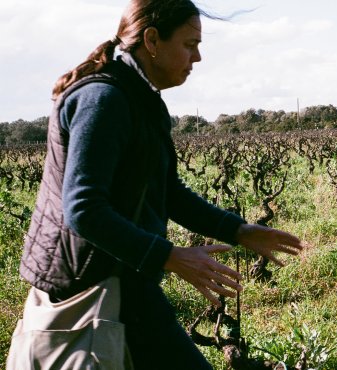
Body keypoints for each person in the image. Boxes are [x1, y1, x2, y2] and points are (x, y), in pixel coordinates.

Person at [18, 0, 304, 369]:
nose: (197, 57)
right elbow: (83, 209)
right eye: (189, 44)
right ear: (152, 40)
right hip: (86, 286)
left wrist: (238, 230)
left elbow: (167, 192)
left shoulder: (138, 99)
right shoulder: (103, 100)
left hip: (124, 278)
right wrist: (169, 257)